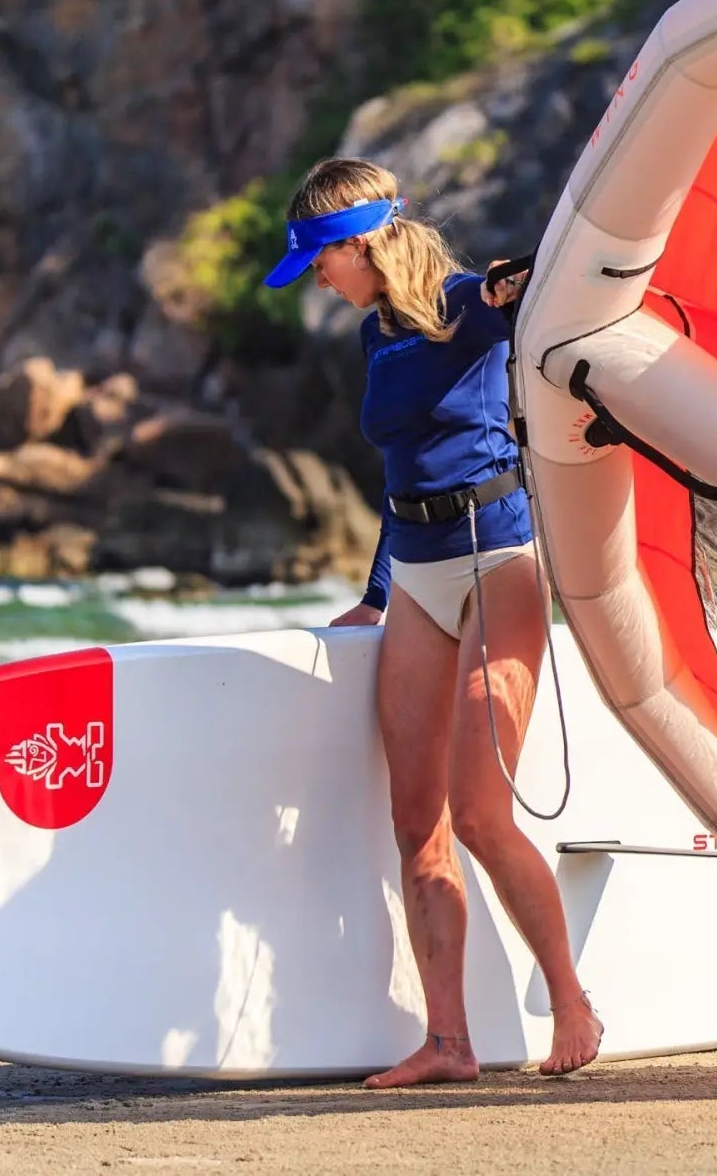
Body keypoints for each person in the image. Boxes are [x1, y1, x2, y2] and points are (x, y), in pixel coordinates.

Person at [262, 157, 602, 1087]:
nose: (321, 282)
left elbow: (528, 292)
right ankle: (448, 1040)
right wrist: (377, 590)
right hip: (416, 573)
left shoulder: (470, 303)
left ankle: (570, 997)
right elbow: (397, 470)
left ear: (362, 242)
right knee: (419, 822)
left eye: (322, 262)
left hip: (498, 562)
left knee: (481, 813)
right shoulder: (376, 334)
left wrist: (519, 282)